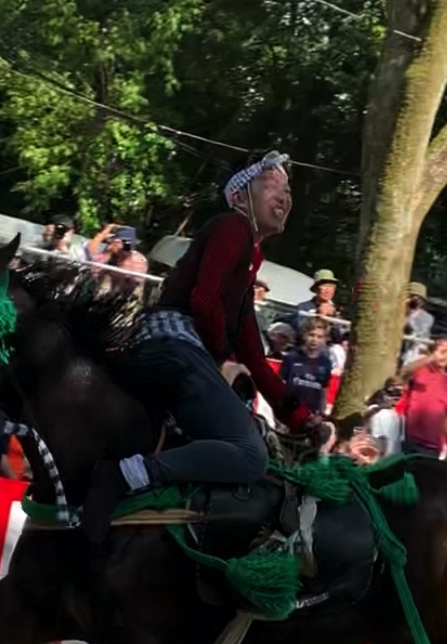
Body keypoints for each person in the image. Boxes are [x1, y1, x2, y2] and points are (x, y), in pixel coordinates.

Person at [80, 152, 324, 543]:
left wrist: (300, 418)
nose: (285, 197)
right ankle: (124, 476)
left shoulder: (248, 260)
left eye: (288, 190)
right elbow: (205, 300)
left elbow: (254, 358)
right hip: (173, 347)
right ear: (241, 196)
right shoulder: (234, 228)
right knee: (249, 453)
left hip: (173, 348)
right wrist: (215, 356)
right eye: (272, 185)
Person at [397, 337, 447, 458]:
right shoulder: (420, 370)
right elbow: (404, 372)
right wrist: (432, 357)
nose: (444, 355)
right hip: (408, 440)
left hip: (433, 448)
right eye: (441, 350)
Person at [279, 318, 333, 416]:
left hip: (311, 414)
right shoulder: (291, 358)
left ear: (325, 340)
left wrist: (322, 411)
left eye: (319, 337)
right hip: (288, 411)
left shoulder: (326, 363)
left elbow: (323, 389)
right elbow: (281, 383)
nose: (314, 340)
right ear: (305, 335)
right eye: (311, 335)